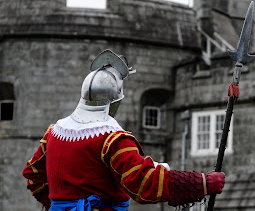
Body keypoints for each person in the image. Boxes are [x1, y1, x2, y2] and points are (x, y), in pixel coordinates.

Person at [22, 49, 225, 211]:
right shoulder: (113, 139)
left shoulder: (54, 133)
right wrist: (201, 183)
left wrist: (59, 206)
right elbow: (144, 182)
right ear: (114, 101)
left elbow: (33, 174)